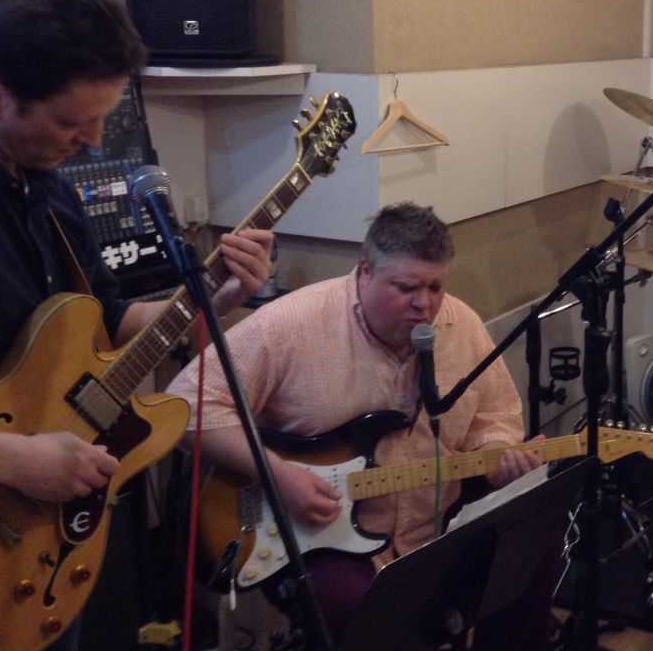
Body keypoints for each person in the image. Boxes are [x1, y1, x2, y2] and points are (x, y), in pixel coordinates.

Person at [0, 0, 274, 648]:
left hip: (37, 545)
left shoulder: (48, 187)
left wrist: (216, 297)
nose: (92, 141)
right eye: (71, 120)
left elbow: (109, 324)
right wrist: (13, 461)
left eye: (104, 118)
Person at [167, 201, 547, 646]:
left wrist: (497, 455)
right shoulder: (291, 323)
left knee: (534, 547)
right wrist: (276, 474)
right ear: (365, 271)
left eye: (436, 286)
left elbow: (495, 417)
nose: (424, 304)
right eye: (405, 287)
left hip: (436, 523)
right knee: (356, 605)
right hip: (316, 533)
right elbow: (184, 404)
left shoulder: (460, 322)